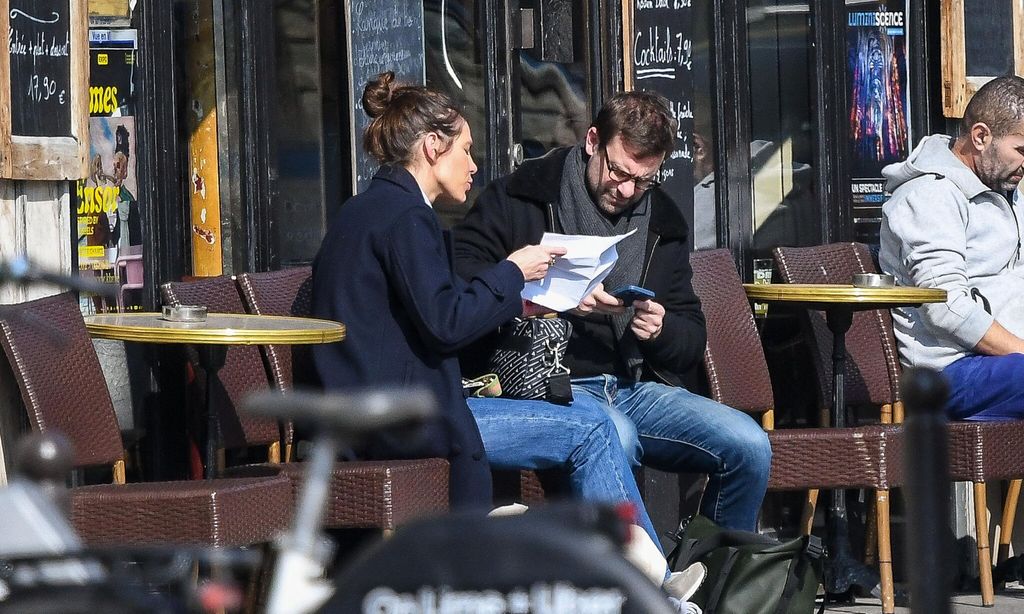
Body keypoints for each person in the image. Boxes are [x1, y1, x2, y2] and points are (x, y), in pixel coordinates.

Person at [309, 74, 664, 561]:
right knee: (592, 428)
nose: (475, 166)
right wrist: (512, 272)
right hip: (402, 419)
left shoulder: (364, 210)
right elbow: (446, 324)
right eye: (466, 150)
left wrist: (518, 301)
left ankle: (626, 573)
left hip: (377, 407)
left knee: (589, 423)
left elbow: (426, 311)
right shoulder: (407, 218)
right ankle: (646, 579)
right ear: (433, 146)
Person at [454, 90, 772, 532]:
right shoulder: (520, 197)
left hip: (633, 385)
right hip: (551, 386)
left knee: (749, 444)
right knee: (614, 438)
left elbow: (690, 336)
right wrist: (544, 296)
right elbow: (462, 281)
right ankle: (624, 585)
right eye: (619, 171)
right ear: (592, 141)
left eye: (644, 180)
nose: (626, 190)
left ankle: (719, 582)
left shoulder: (663, 220)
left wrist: (659, 329)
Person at [879, 75, 1024, 420]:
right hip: (951, 370)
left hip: (1003, 366)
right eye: (1021, 150)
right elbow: (945, 306)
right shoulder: (928, 196)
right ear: (980, 136)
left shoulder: (1009, 188)